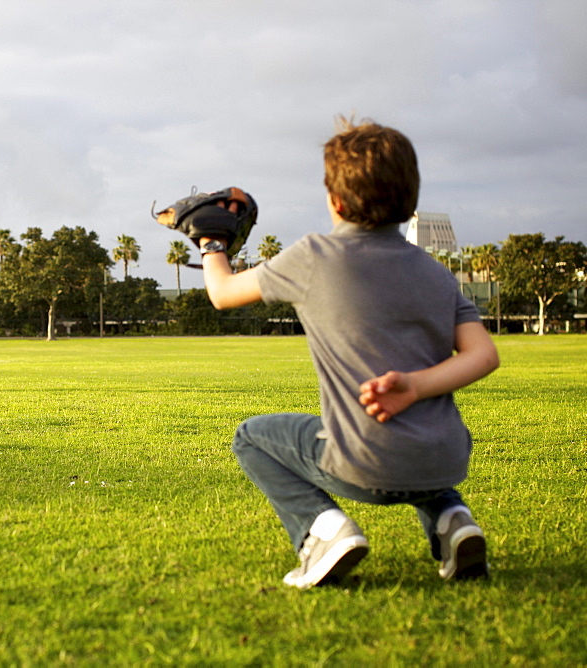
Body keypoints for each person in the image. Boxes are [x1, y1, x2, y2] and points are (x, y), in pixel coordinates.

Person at [199, 117, 499, 590]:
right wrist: (417, 385)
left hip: (364, 463)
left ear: (336, 201)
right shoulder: (436, 273)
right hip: (443, 459)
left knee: (251, 437)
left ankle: (324, 532)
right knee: (417, 448)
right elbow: (484, 355)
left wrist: (210, 241)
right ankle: (453, 519)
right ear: (409, 200)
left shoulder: (316, 256)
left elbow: (222, 292)